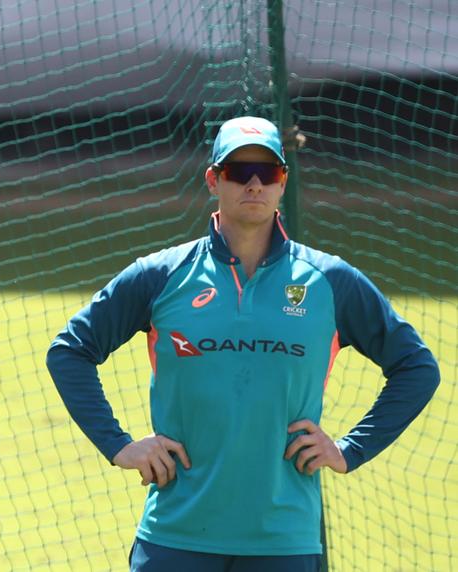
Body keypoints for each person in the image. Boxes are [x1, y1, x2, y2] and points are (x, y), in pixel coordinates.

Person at [46, 116, 439, 571]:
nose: (254, 183)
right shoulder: (161, 274)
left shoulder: (331, 281)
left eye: (267, 172)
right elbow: (70, 351)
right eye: (238, 171)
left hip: (285, 541)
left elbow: (416, 367)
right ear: (214, 180)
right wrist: (119, 445)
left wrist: (351, 449)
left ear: (282, 183)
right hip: (174, 535)